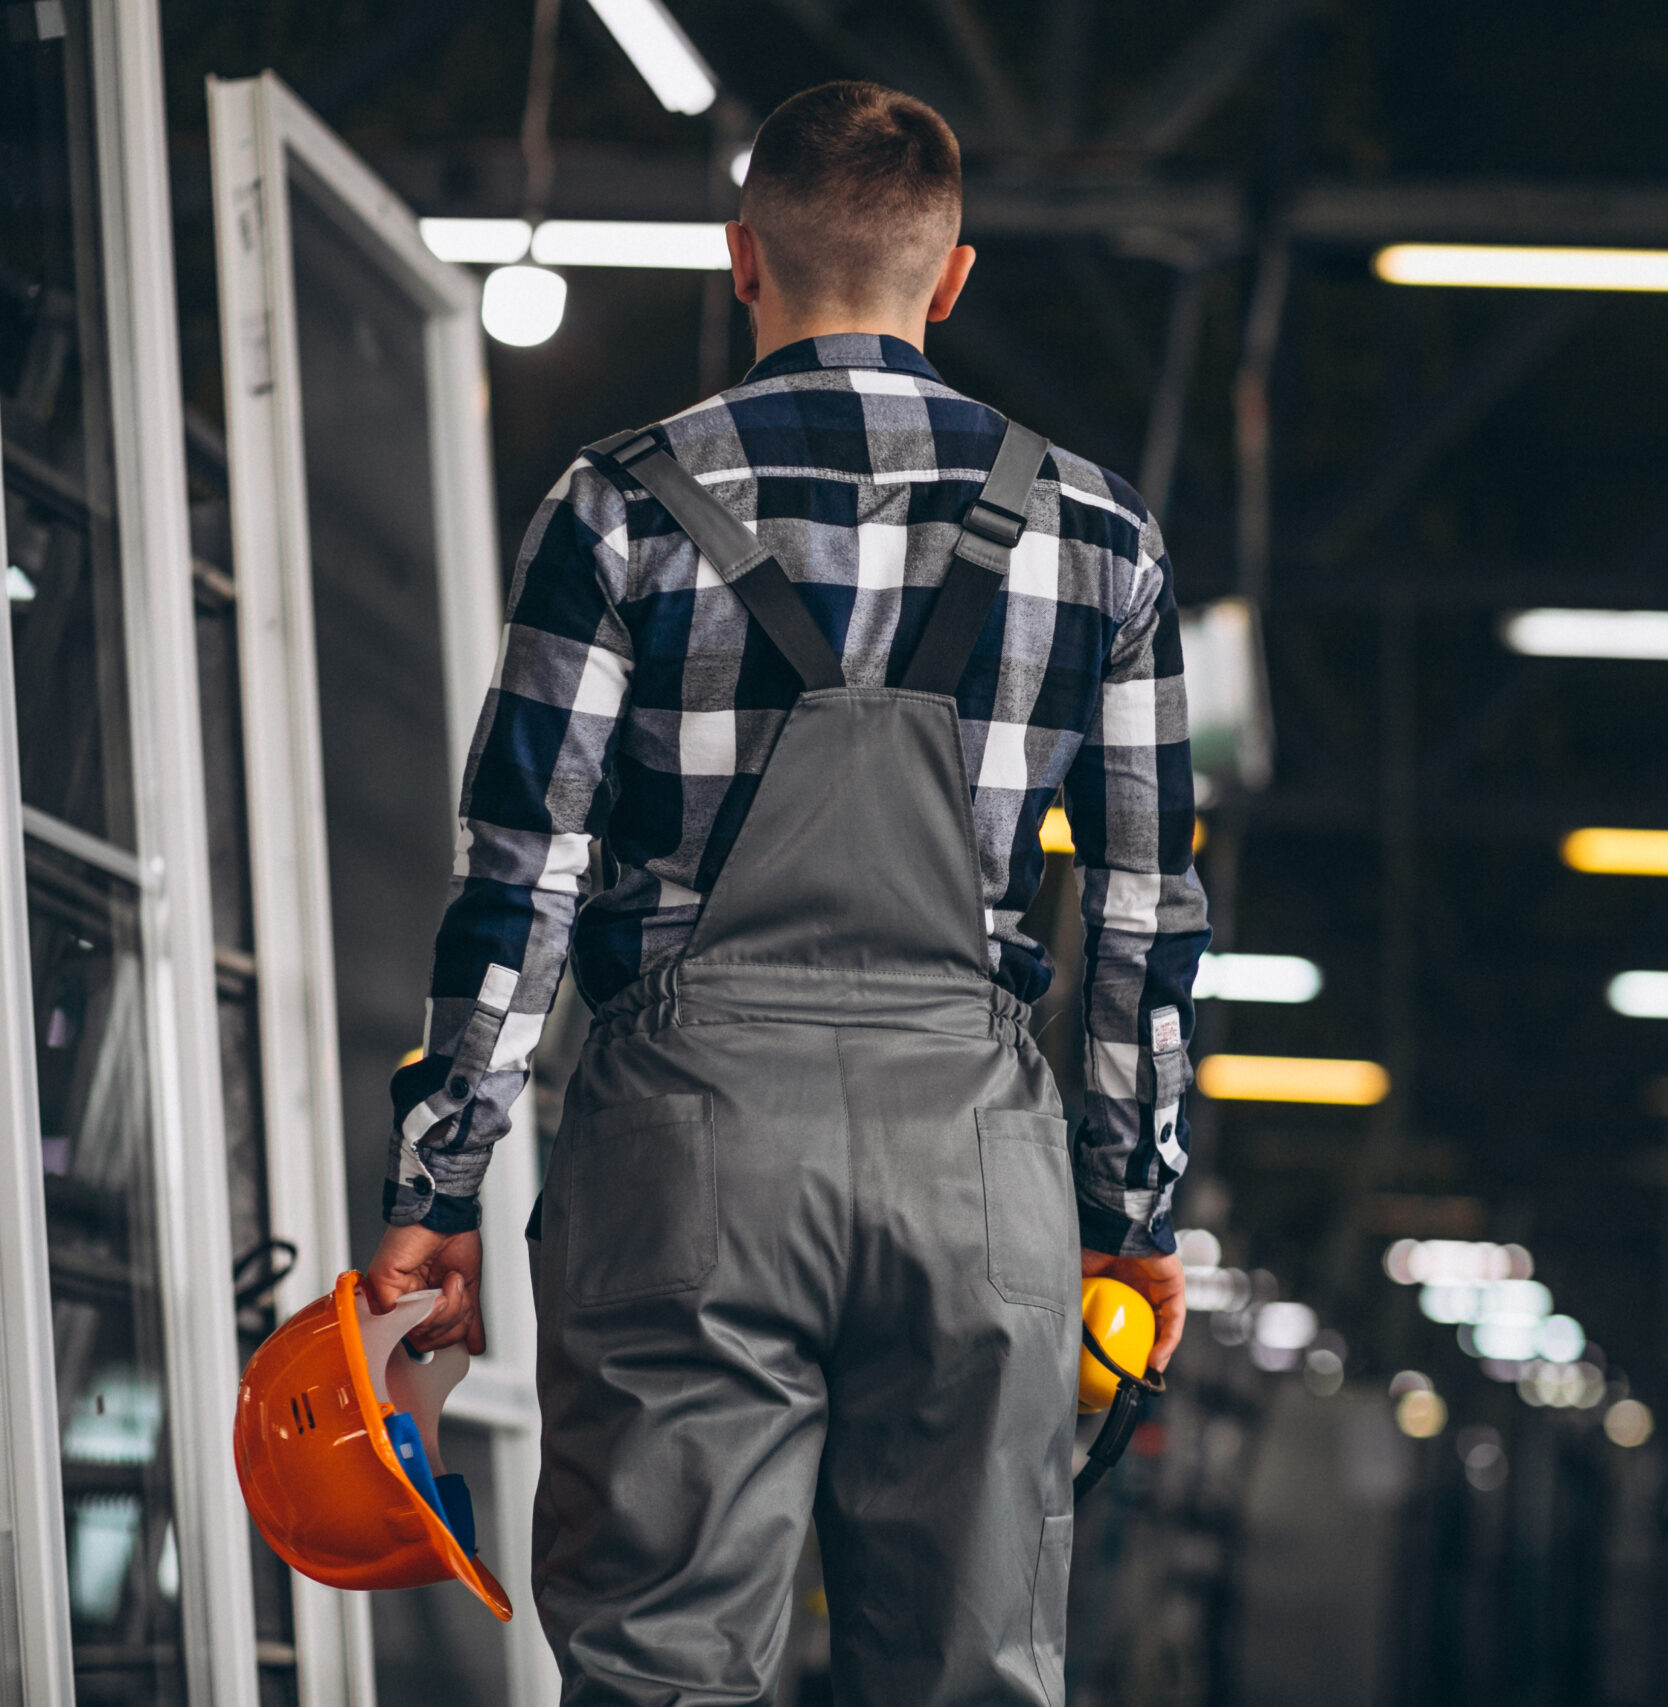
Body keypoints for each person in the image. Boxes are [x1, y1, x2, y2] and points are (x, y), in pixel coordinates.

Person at [360, 80, 1206, 1704]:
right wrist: (1135, 1214)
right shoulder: (1103, 536)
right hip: (974, 1172)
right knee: (967, 1677)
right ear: (950, 280)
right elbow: (1145, 915)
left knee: (663, 1673)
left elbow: (521, 874)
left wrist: (436, 1182)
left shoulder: (619, 502)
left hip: (688, 1153)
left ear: (740, 255)